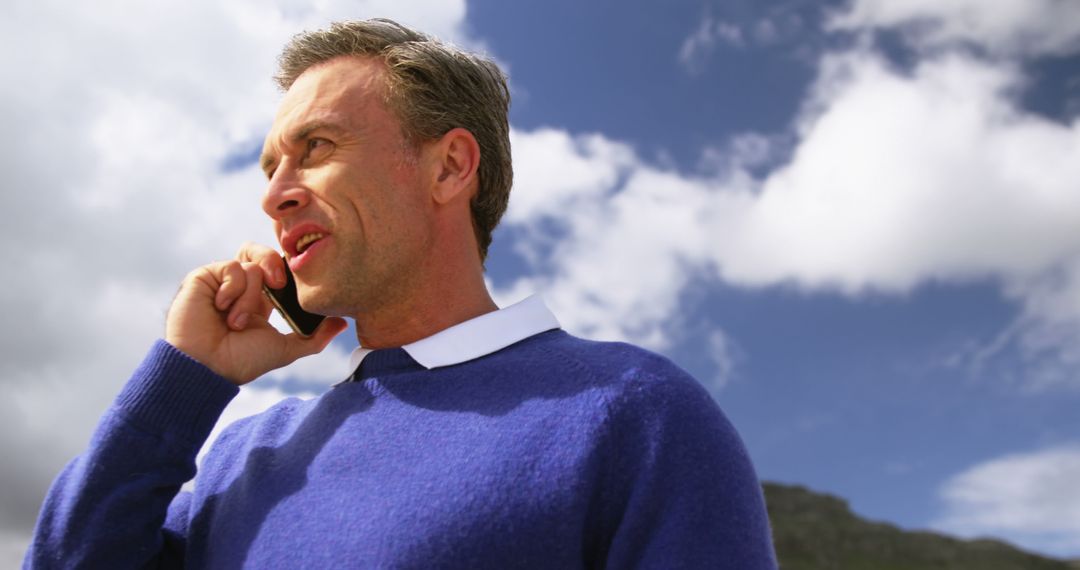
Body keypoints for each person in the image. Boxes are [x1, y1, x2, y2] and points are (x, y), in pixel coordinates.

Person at [24, 19, 777, 569]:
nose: (276, 197)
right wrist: (188, 376)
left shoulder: (632, 412)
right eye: (269, 168)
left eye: (315, 149)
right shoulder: (243, 455)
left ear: (449, 168)